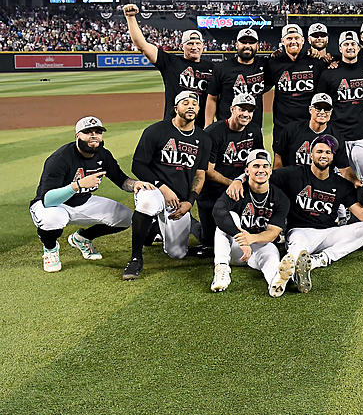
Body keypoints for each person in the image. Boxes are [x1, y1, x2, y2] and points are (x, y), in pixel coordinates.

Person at [30, 116, 152, 273]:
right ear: (77, 136)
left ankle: (82, 238)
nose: (94, 135)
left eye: (98, 132)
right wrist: (78, 185)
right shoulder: (60, 158)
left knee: (126, 218)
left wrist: (135, 184)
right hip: (54, 205)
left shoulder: (103, 155)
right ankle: (50, 249)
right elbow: (48, 199)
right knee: (52, 220)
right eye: (88, 132)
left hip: (82, 202)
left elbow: (121, 180)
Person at [274, 135, 363, 291]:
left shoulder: (340, 183)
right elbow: (264, 178)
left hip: (328, 233)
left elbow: (359, 211)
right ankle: (281, 281)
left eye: (328, 152)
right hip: (300, 231)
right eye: (319, 151)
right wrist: (240, 180)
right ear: (311, 154)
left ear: (332, 157)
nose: (323, 155)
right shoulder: (293, 174)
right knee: (296, 253)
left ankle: (317, 261)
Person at [125, 91, 212, 280]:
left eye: (194, 104)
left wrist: (189, 202)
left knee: (177, 253)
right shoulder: (156, 131)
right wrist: (161, 187)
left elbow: (199, 174)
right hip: (154, 189)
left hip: (178, 200)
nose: (190, 106)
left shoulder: (204, 139)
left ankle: (155, 227)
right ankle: (135, 258)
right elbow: (138, 165)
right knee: (147, 203)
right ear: (175, 108)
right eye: (185, 103)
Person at [210, 150, 295, 297]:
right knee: (230, 217)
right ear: (247, 171)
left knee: (272, 255)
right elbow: (218, 212)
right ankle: (222, 269)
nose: (261, 170)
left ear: (270, 170)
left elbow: (273, 232)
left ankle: (276, 283)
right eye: (256, 166)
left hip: (258, 244)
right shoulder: (236, 190)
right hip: (236, 248)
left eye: (265, 166)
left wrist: (251, 239)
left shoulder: (281, 198)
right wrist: (240, 237)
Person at [123, 3, 212, 128]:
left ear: (203, 46)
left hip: (200, 128)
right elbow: (142, 45)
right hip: (173, 126)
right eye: (190, 43)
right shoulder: (171, 62)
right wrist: (130, 17)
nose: (194, 47)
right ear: (182, 46)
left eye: (198, 43)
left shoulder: (212, 68)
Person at [200, 93, 263, 256]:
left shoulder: (254, 130)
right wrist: (232, 182)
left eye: (250, 111)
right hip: (212, 192)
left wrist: (240, 181)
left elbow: (259, 163)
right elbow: (208, 170)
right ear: (232, 109)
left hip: (240, 190)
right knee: (208, 242)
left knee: (242, 235)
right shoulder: (213, 132)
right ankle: (188, 225)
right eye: (242, 109)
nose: (246, 114)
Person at [317, 30, 363, 202]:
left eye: (353, 44)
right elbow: (321, 102)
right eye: (346, 44)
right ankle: (341, 214)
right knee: (338, 178)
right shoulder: (329, 74)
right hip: (337, 135)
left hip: (362, 133)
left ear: (359, 47)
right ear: (340, 48)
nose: (350, 47)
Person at [265, 23, 325, 147]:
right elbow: (261, 85)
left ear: (303, 40)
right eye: (289, 38)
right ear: (282, 41)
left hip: (309, 125)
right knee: (280, 164)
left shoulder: (315, 62)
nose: (293, 41)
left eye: (296, 38)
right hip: (283, 126)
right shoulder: (273, 63)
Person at [272, 93, 351, 179]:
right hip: (293, 181)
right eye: (318, 108)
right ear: (310, 110)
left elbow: (344, 168)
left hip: (320, 184)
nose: (322, 112)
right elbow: (279, 156)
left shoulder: (336, 136)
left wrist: (355, 181)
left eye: (326, 109)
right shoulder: (292, 130)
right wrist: (277, 178)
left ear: (331, 112)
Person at [205, 27, 267, 127]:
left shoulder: (264, 65)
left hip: (254, 127)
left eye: (251, 42)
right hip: (227, 127)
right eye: (243, 42)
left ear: (257, 46)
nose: (247, 46)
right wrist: (208, 125)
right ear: (236, 45)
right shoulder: (222, 68)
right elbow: (212, 98)